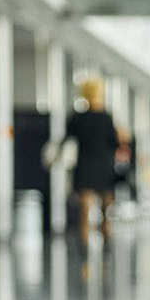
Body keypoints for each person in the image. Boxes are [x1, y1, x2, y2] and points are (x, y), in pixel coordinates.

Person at [64, 78, 118, 241]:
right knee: (106, 213)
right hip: (104, 167)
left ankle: (85, 255)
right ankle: (107, 248)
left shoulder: (77, 118)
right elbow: (114, 144)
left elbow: (67, 139)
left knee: (84, 212)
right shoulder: (106, 118)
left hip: (85, 167)